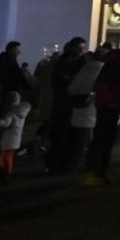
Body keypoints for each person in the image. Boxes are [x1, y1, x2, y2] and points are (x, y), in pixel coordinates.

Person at [85, 39, 120, 185]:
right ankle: (95, 171)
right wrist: (110, 101)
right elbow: (103, 84)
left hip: (112, 104)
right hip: (109, 105)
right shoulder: (115, 63)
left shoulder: (118, 62)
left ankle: (100, 169)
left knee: (106, 138)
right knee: (103, 138)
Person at [46, 38, 88, 173]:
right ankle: (56, 164)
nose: (82, 51)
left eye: (83, 48)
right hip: (64, 103)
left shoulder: (76, 60)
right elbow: (62, 80)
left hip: (68, 103)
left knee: (67, 136)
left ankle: (60, 164)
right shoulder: (65, 61)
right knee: (61, 135)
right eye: (80, 48)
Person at [65, 45, 103, 176]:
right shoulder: (105, 69)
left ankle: (73, 165)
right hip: (94, 108)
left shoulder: (86, 68)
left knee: (79, 140)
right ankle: (88, 166)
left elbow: (72, 89)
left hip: (81, 108)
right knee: (88, 140)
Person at [0, 88, 30, 185]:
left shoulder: (10, 114)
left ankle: (1, 174)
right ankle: (8, 174)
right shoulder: (22, 113)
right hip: (15, 139)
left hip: (6, 140)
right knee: (9, 157)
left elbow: (5, 124)